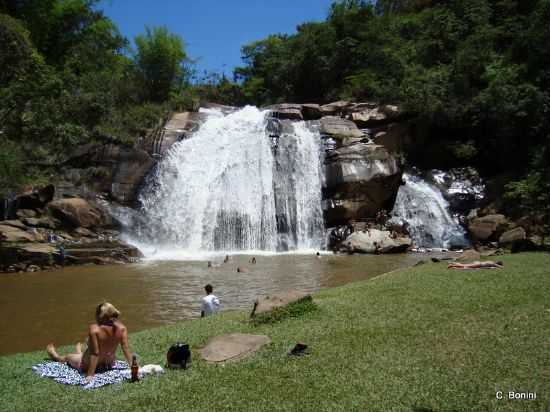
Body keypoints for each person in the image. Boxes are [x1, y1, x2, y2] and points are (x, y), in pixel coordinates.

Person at [46, 302, 134, 383]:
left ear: (99, 316)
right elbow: (125, 348)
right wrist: (132, 367)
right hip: (109, 364)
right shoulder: (122, 328)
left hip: (86, 365)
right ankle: (79, 352)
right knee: (84, 352)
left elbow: (95, 353)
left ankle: (56, 356)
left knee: (67, 358)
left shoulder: (95, 329)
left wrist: (90, 375)